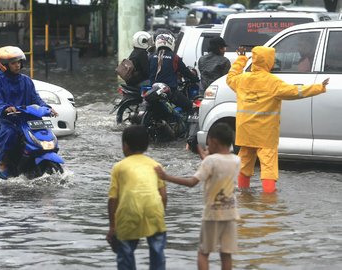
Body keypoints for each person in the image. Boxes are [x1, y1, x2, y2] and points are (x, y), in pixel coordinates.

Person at [226, 46, 329, 193]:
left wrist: (241, 59)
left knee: (244, 161)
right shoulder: (273, 82)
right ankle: (269, 200)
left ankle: (243, 194)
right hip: (265, 133)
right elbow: (296, 92)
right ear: (269, 61)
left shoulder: (242, 80)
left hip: (245, 131)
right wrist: (319, 87)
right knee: (268, 166)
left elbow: (230, 77)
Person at [154, 122, 240, 270]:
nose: (207, 147)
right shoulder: (236, 160)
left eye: (208, 143)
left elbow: (192, 182)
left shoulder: (210, 161)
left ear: (214, 141)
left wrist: (166, 177)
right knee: (226, 254)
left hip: (212, 214)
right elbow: (217, 170)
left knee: (203, 253)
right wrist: (205, 159)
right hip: (231, 213)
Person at [0, 46, 57, 178]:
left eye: (19, 62)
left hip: (26, 119)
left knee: (42, 132)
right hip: (5, 121)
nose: (17, 65)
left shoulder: (26, 81)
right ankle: (3, 161)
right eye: (13, 63)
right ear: (4, 65)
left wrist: (47, 108)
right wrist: (5, 108)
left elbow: (35, 98)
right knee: (10, 133)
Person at [106, 125, 168, 270]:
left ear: (125, 146)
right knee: (157, 250)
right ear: (147, 145)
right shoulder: (156, 165)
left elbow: (113, 199)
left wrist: (112, 226)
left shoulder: (119, 167)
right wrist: (160, 214)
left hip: (129, 210)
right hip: (154, 209)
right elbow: (163, 196)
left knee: (125, 251)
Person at [149, 32, 199, 113]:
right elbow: (185, 71)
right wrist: (195, 78)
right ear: (171, 43)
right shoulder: (175, 57)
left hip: (152, 90)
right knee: (189, 106)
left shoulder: (151, 57)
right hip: (170, 91)